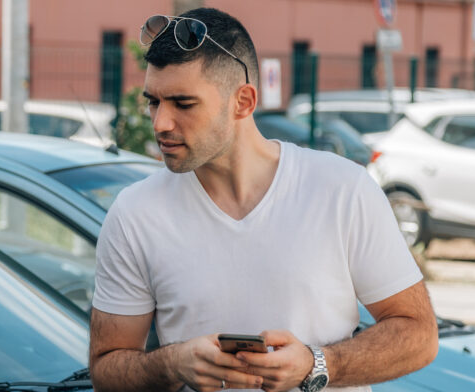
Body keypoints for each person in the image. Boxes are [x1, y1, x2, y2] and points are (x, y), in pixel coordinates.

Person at [88, 7, 438, 392]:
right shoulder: (135, 214)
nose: (160, 123)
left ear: (243, 101)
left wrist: (318, 364)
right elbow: (106, 370)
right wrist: (172, 364)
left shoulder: (341, 190)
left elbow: (419, 335)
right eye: (154, 102)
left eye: (183, 104)